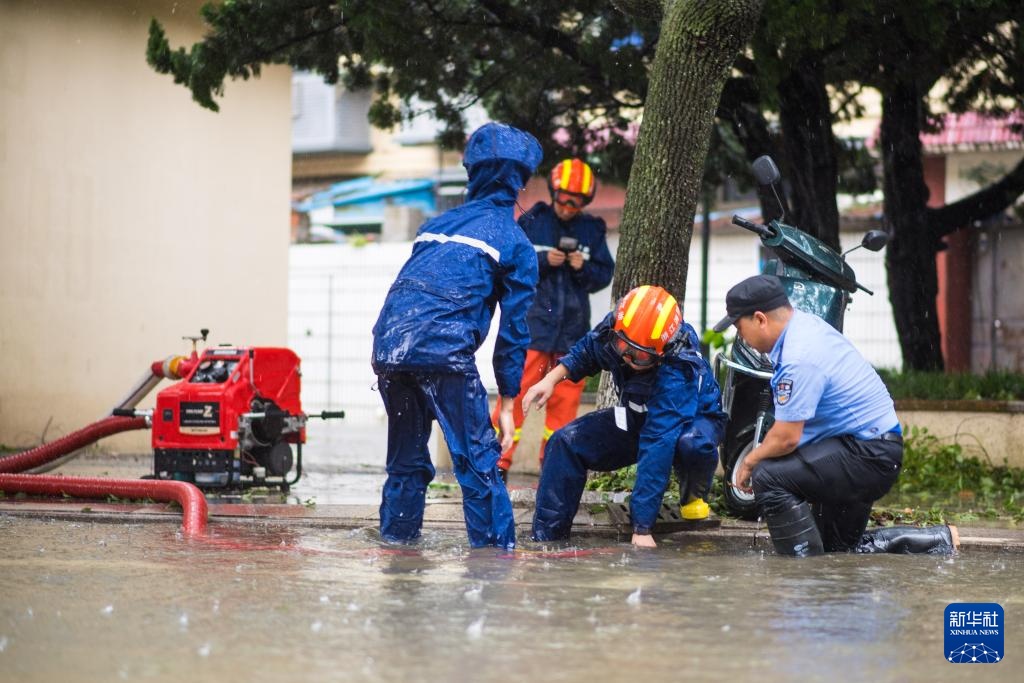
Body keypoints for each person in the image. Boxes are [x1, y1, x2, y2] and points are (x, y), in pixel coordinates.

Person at [371, 122, 542, 550]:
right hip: (444, 352)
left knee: (405, 462)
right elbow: (515, 330)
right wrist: (507, 400)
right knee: (478, 462)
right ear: (520, 180)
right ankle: (493, 565)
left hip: (389, 346)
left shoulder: (433, 225)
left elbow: (415, 293)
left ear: (472, 172)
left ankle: (397, 551)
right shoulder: (515, 242)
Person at [714, 274, 958, 557]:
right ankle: (940, 540)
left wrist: (750, 461)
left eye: (739, 327)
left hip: (866, 454)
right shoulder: (805, 326)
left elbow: (787, 438)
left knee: (768, 475)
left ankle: (800, 574)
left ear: (760, 319)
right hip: (868, 449)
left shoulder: (799, 356)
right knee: (840, 550)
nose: (740, 337)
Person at [526, 285, 727, 548]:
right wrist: (551, 379)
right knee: (565, 442)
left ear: (662, 351)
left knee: (691, 444)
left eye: (641, 356)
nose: (629, 358)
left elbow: (657, 445)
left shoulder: (678, 370)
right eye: (624, 348)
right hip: (638, 413)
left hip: (693, 423)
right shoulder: (619, 330)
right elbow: (588, 350)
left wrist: (642, 528)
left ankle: (692, 496)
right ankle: (547, 538)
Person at [490, 158, 615, 481]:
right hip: (533, 329)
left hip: (572, 334)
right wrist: (544, 260)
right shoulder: (533, 221)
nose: (569, 206)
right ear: (554, 192)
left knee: (565, 402)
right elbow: (510, 263)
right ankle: (496, 463)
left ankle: (554, 467)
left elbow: (603, 274)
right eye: (564, 198)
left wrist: (581, 267)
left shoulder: (592, 229)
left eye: (577, 201)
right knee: (513, 393)